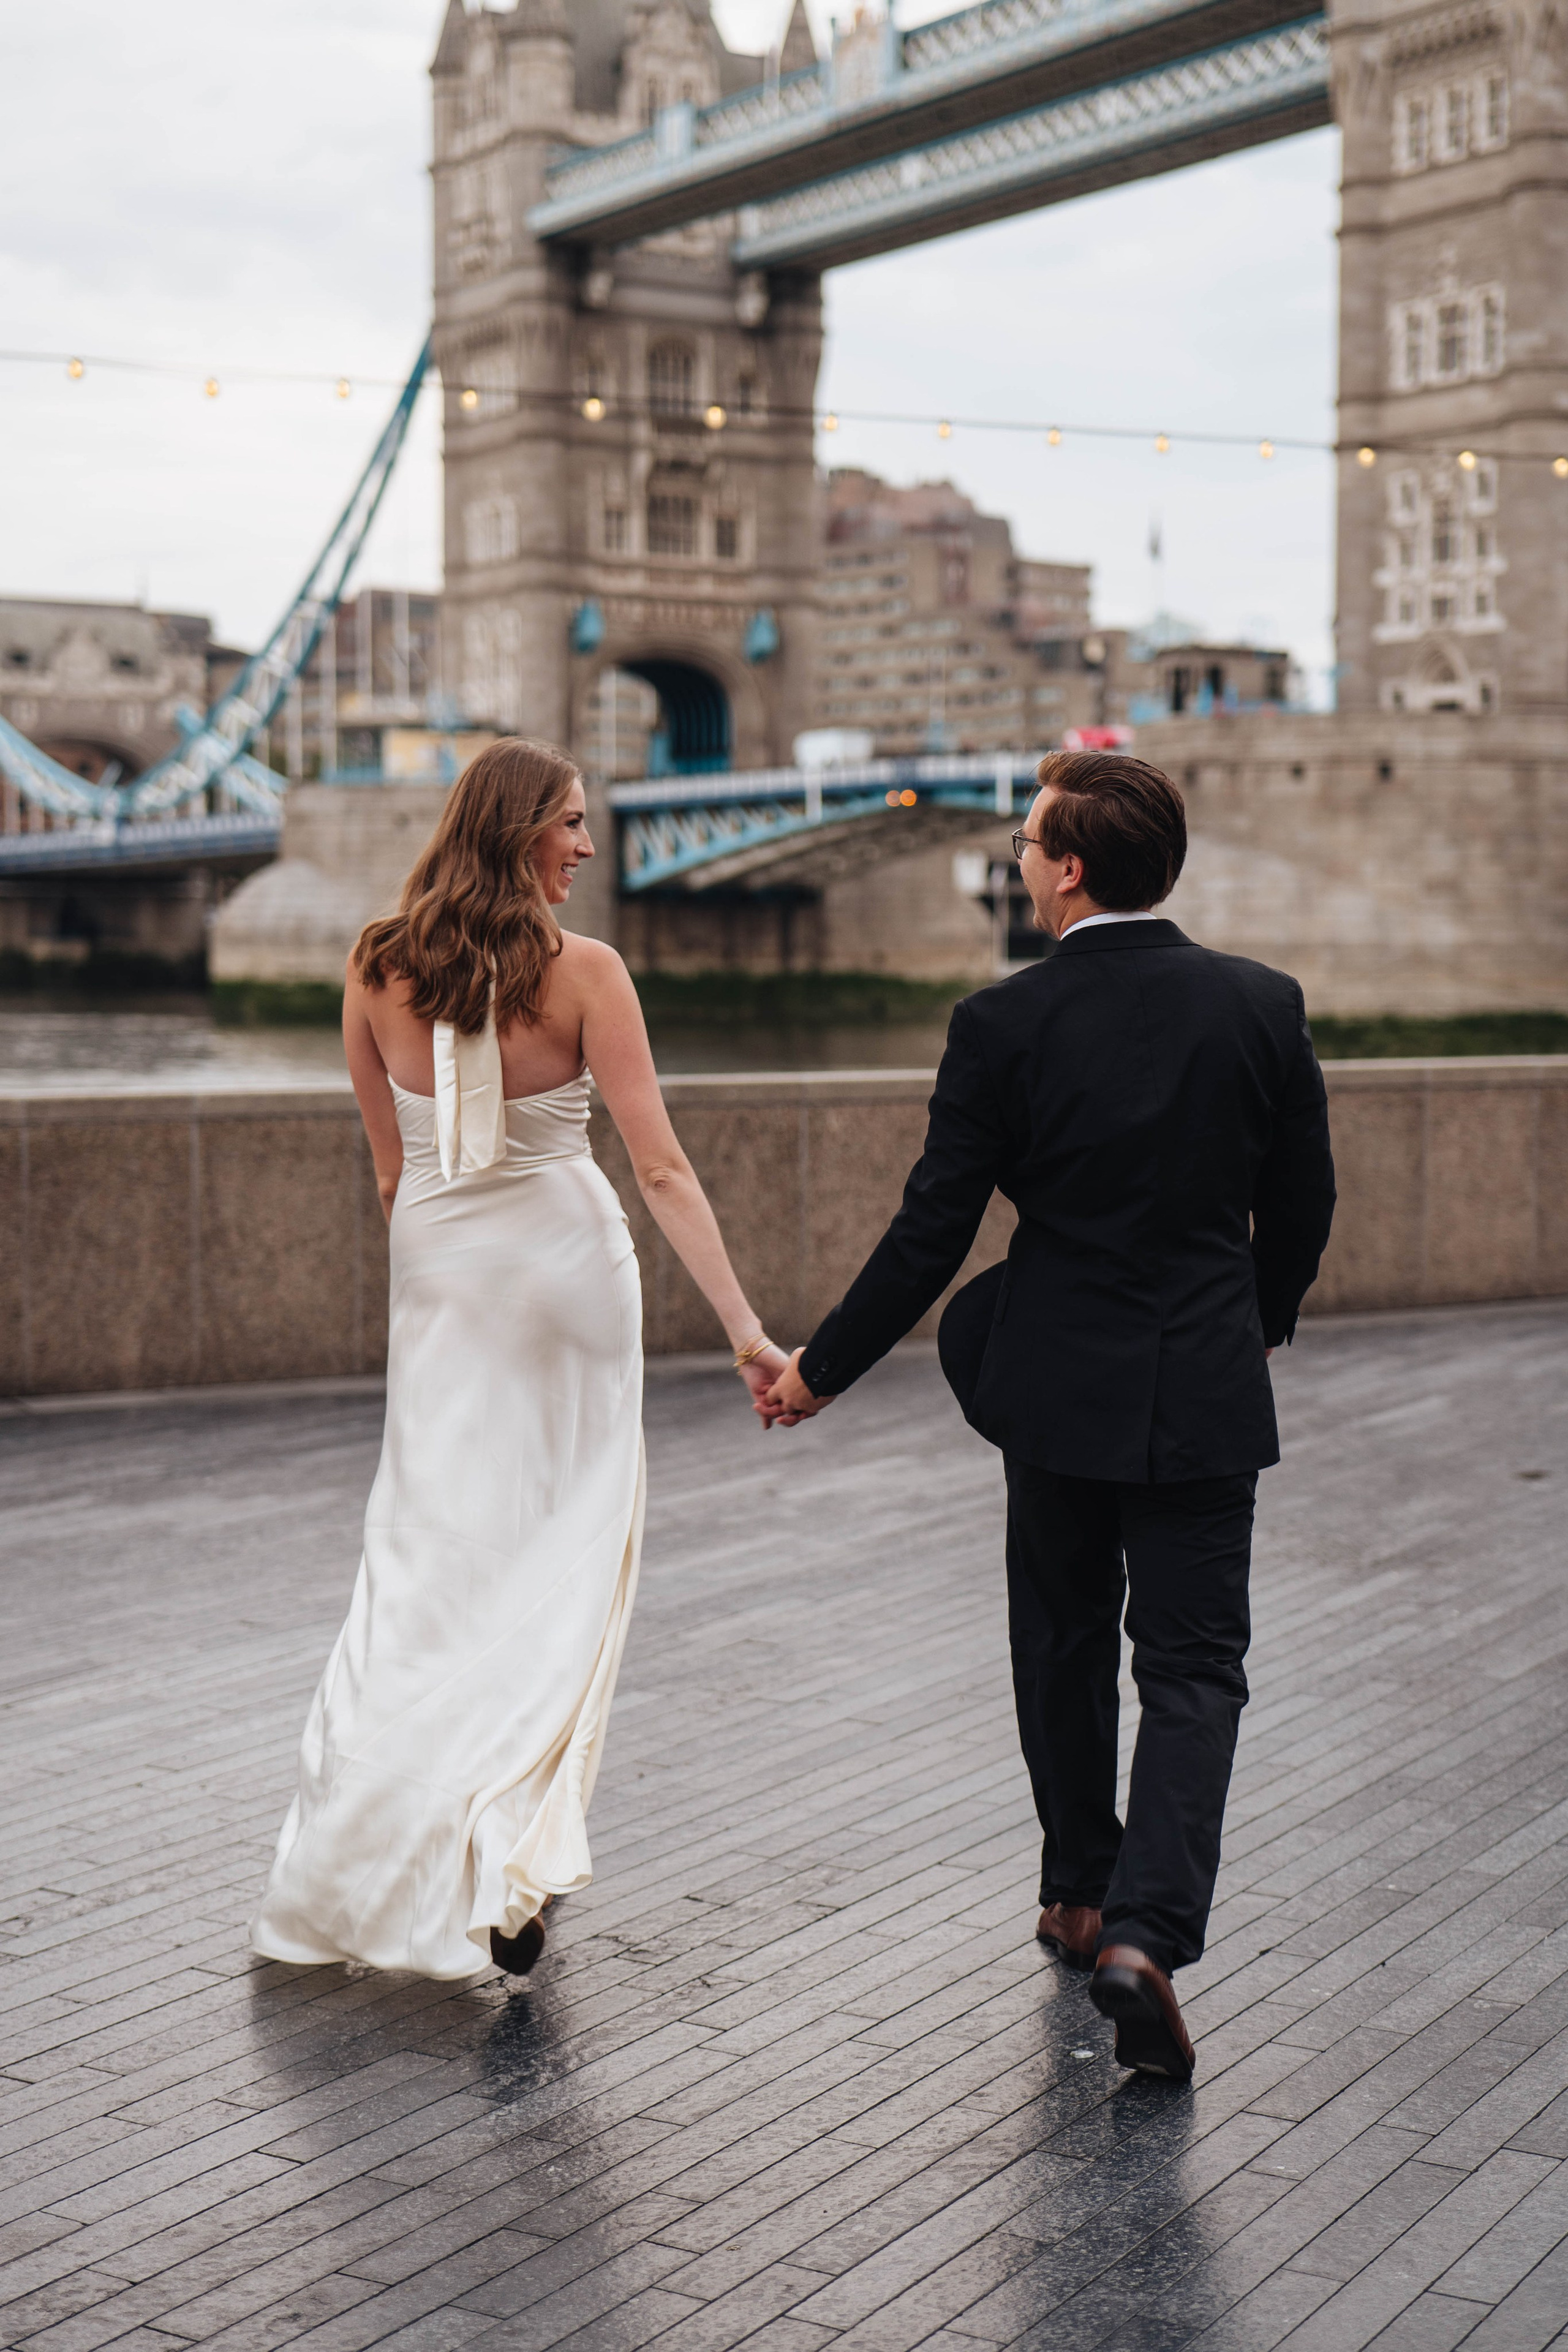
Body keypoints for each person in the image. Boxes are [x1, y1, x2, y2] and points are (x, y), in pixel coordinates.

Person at [764, 750, 1335, 2080]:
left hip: (1053, 1391)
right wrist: (1252, 1320)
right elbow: (1299, 1205)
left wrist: (818, 1371)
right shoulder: (1260, 1006)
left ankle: (1077, 1893)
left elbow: (929, 1238)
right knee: (1193, 1673)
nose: (1019, 858)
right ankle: (1143, 1935)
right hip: (1200, 1384)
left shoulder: (1000, 1025)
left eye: (1027, 842)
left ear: (1068, 870)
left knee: (1063, 1640)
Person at [252, 740, 788, 1982]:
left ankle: (406, 1844)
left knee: (430, 1564)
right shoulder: (585, 973)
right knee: (566, 1559)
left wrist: (445, 1279)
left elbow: (391, 1169)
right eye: (571, 826)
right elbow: (658, 1168)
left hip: (443, 1281)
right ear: (516, 834)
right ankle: (515, 1848)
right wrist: (746, 1332)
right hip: (567, 1275)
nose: (588, 849)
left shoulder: (375, 965)